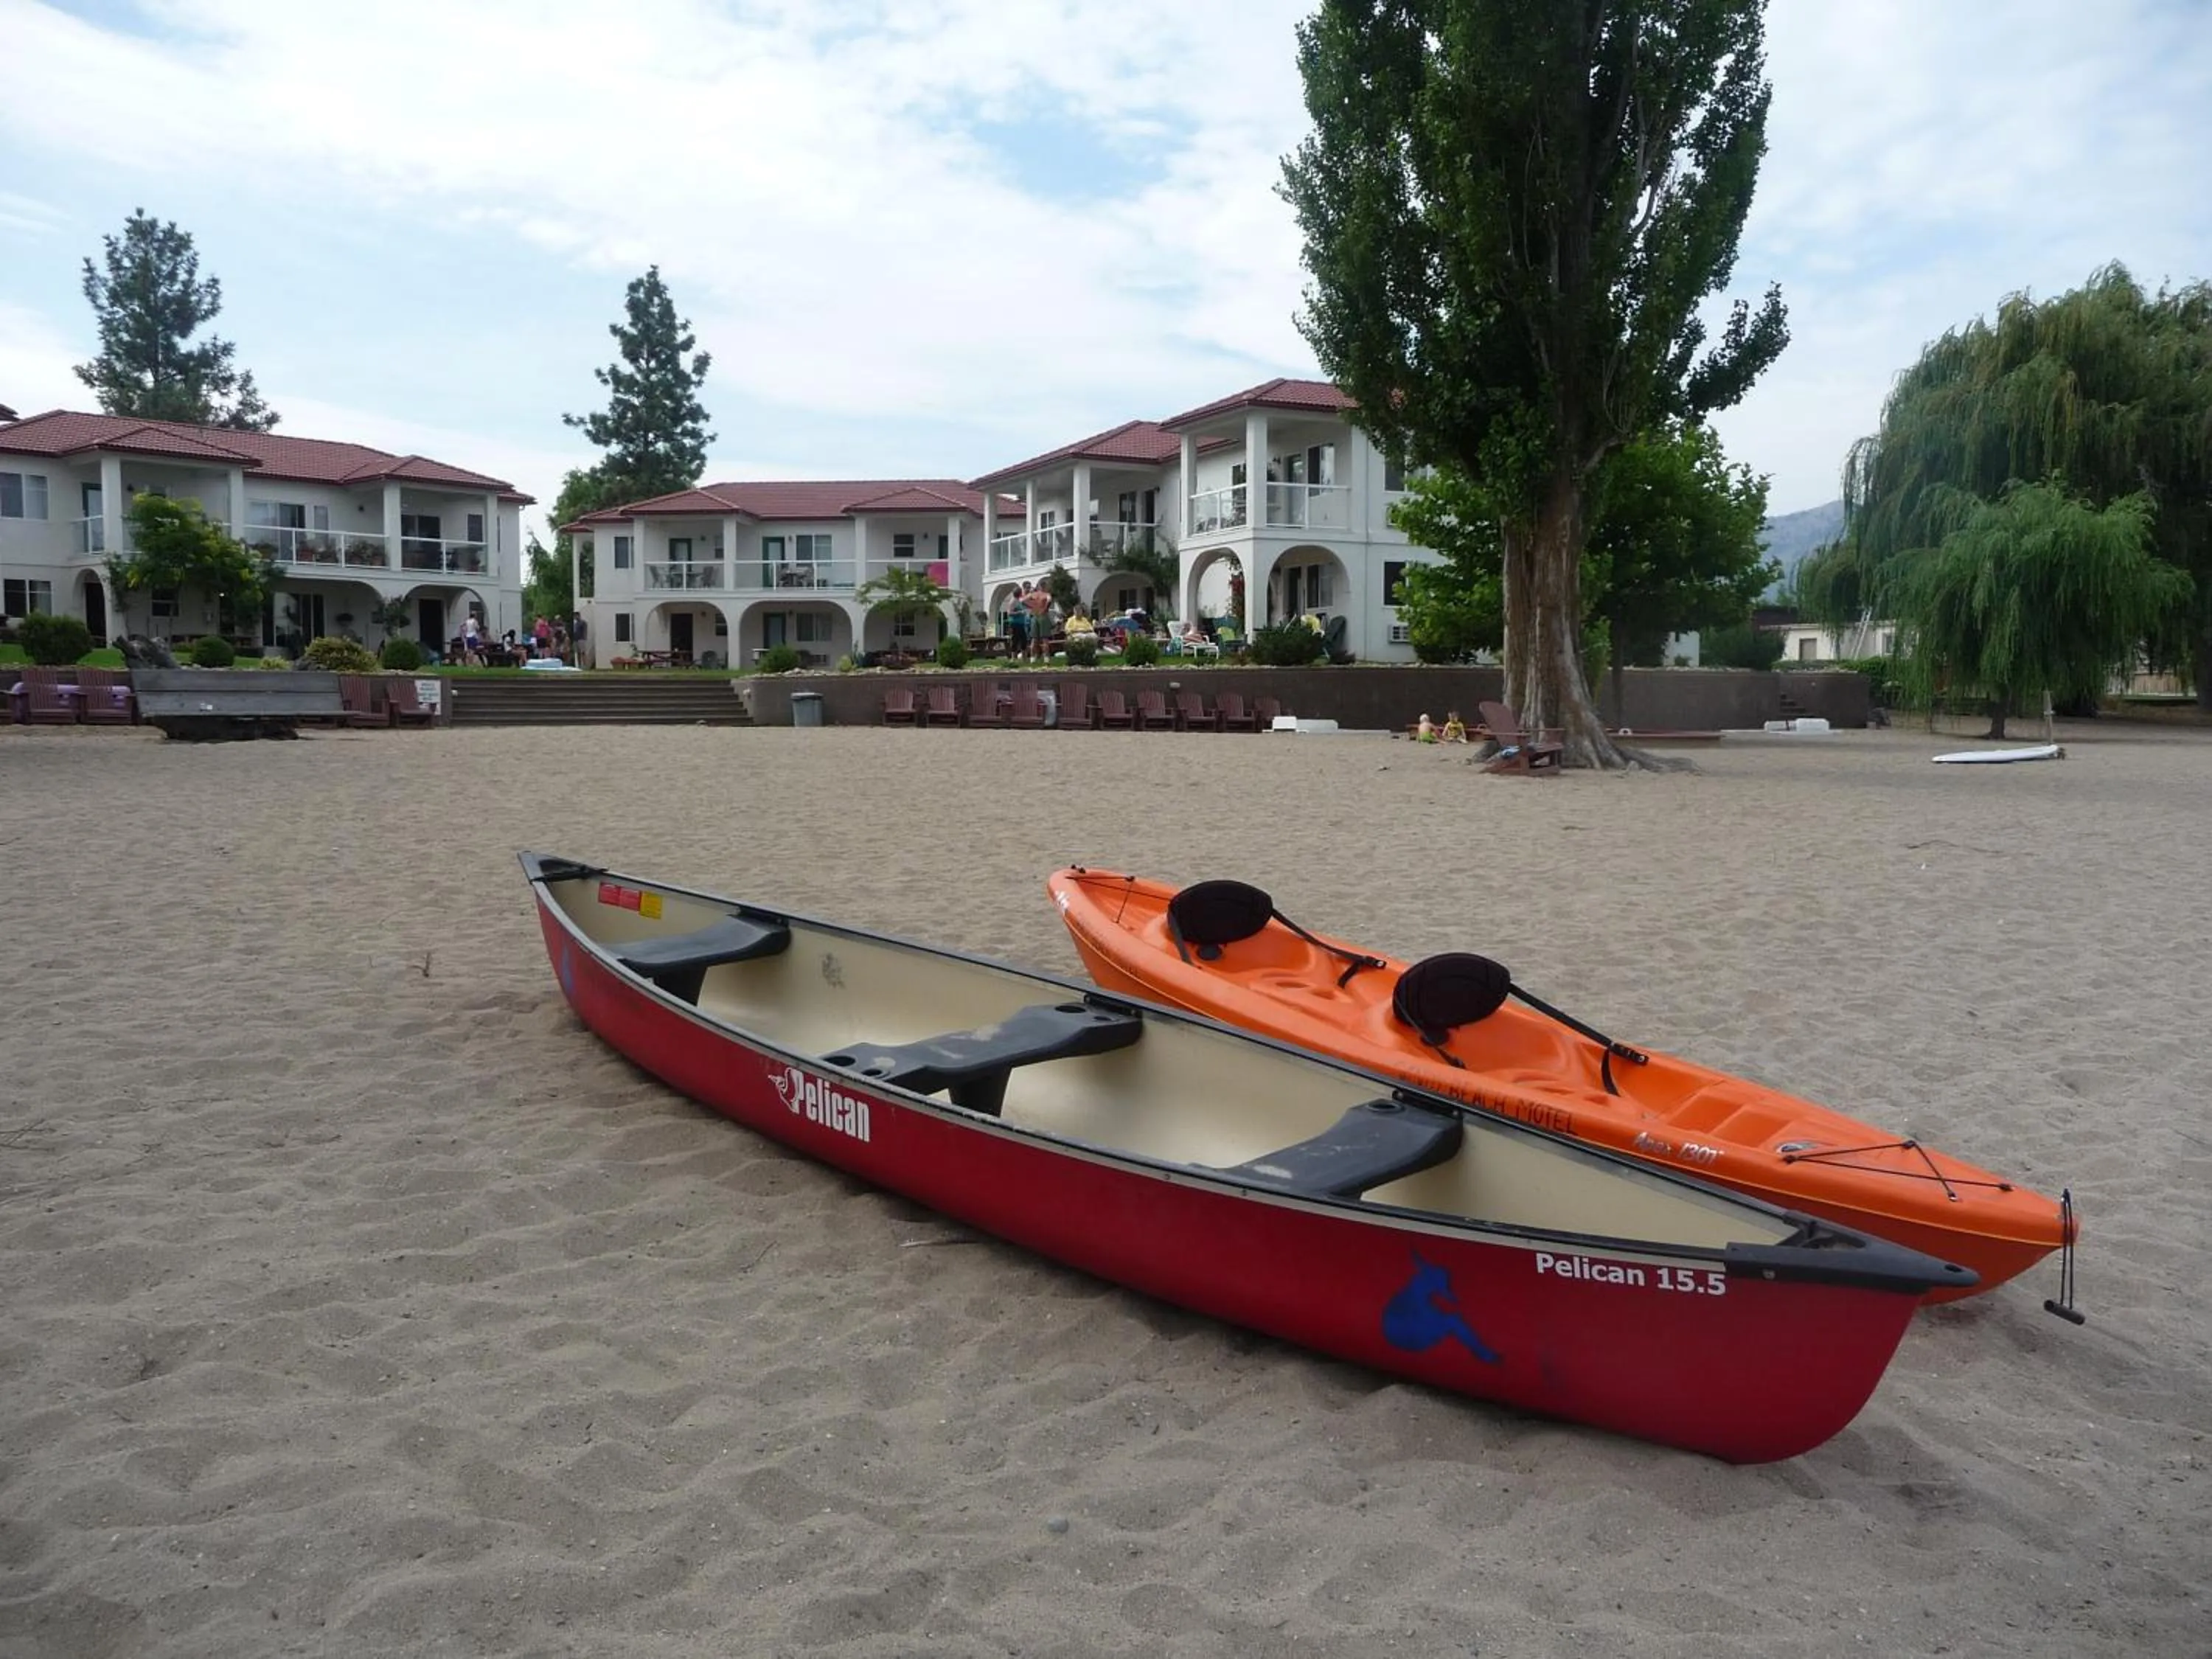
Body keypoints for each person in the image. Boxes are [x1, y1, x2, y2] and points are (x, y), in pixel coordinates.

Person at [1023, 582, 1053, 661]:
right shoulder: (1046, 594)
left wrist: (1031, 606)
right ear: (1045, 587)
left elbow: (1023, 600)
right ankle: (1046, 658)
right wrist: (1045, 609)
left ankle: (1032, 659)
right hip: (1043, 616)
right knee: (1045, 639)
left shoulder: (1033, 594)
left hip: (1035, 616)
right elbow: (1049, 601)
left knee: (1034, 639)